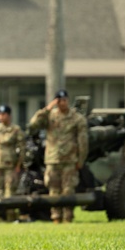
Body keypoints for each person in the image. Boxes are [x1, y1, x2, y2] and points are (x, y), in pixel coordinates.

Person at [28, 89, 88, 224]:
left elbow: (83, 141)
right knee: (53, 189)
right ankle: (55, 217)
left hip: (70, 160)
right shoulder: (50, 116)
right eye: (59, 101)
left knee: (68, 190)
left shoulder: (77, 118)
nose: (62, 103)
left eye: (65, 100)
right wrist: (47, 108)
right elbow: (33, 125)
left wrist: (81, 159)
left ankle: (68, 217)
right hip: (53, 159)